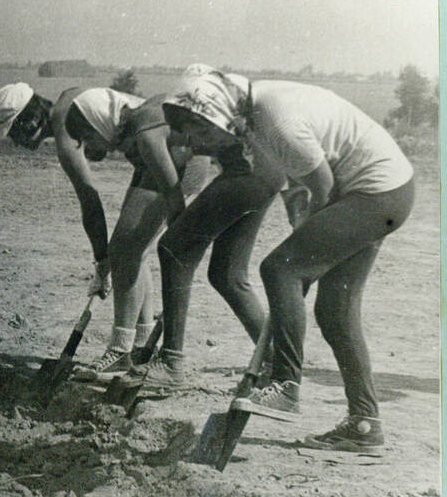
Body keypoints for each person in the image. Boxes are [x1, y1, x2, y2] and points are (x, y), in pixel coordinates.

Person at [162, 69, 415, 451]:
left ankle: (285, 384)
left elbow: (323, 186)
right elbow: (301, 176)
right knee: (335, 310)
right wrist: (307, 233)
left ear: (215, 111)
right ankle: (365, 424)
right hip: (383, 192)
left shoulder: (275, 118)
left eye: (199, 130)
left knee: (280, 269)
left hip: (374, 193)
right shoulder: (256, 115)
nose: (197, 144)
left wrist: (304, 261)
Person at [0, 83, 209, 380]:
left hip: (170, 154)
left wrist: (102, 260)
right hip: (169, 150)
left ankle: (120, 351)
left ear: (30, 119)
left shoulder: (64, 121)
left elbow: (89, 199)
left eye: (13, 131)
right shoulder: (70, 98)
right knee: (136, 249)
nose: (14, 142)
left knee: (124, 249)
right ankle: (139, 346)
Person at [121, 65, 288, 391]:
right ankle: (276, 365)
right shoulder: (225, 100)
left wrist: (179, 218)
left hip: (248, 174)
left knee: (173, 249)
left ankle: (171, 363)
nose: (192, 140)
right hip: (265, 174)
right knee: (228, 274)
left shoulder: (213, 105)